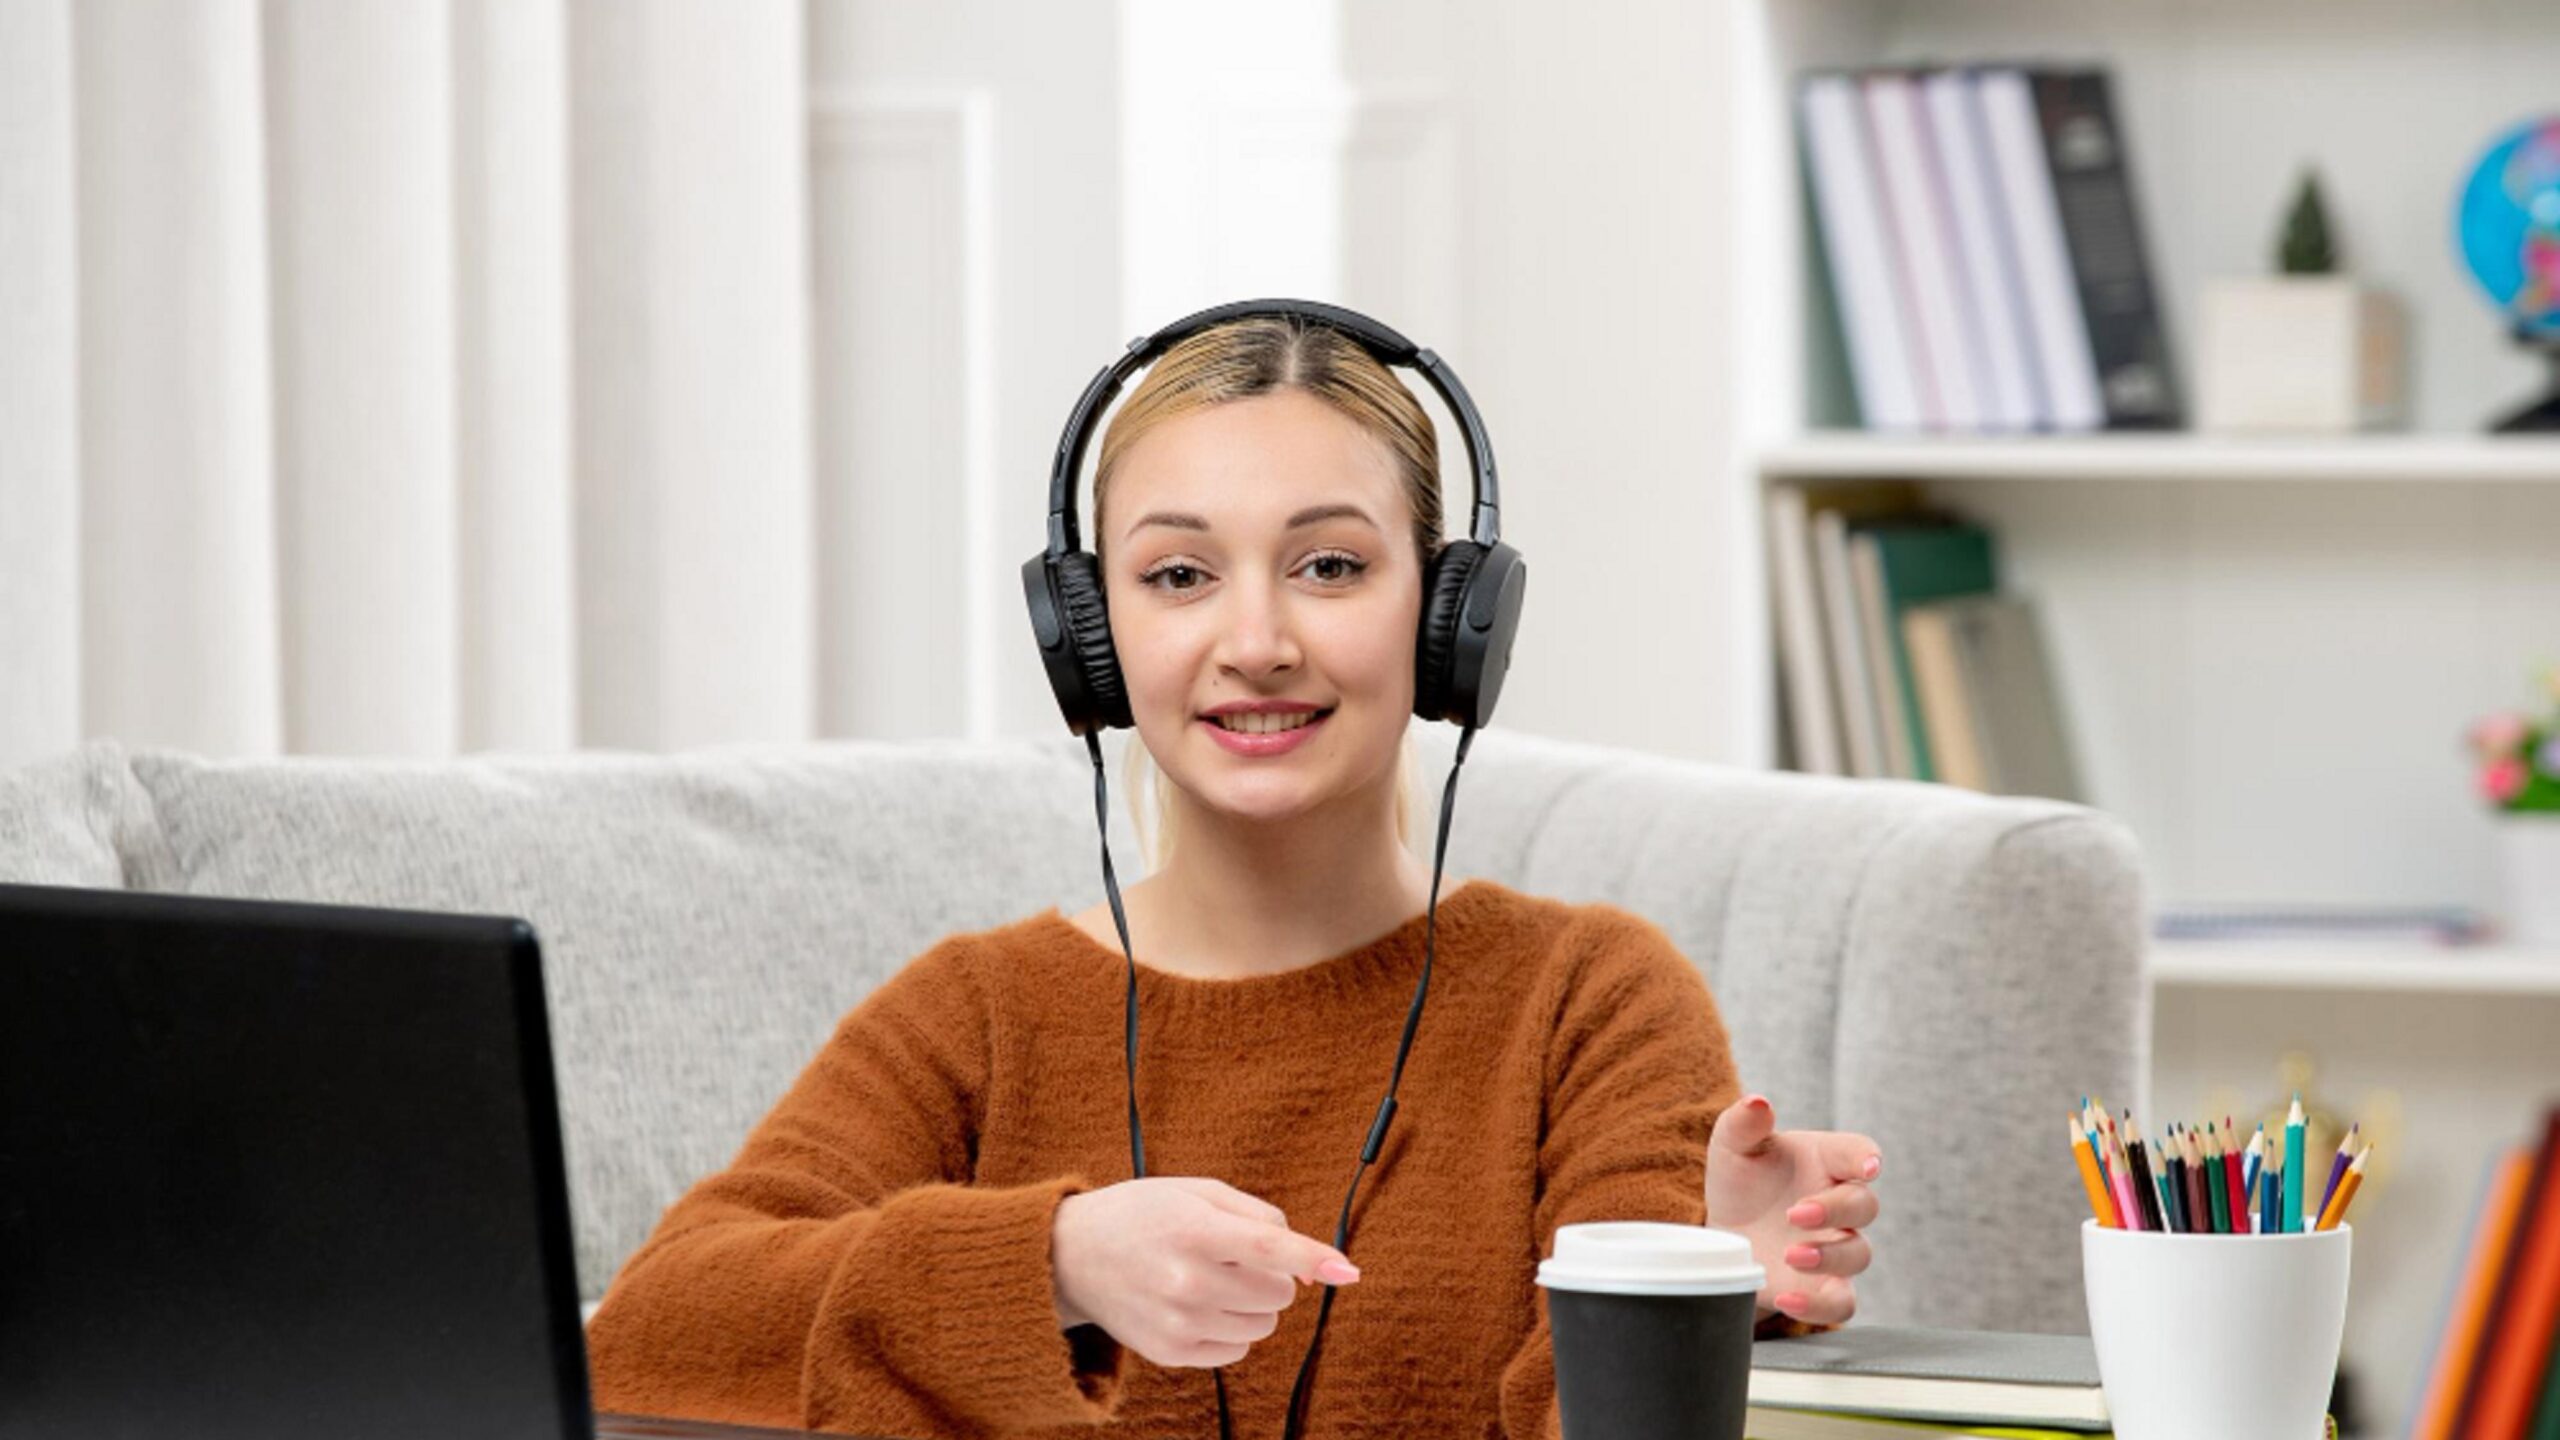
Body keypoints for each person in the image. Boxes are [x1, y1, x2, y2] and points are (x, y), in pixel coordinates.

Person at [583, 314, 1883, 1438]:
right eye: (1179, 575)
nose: (1256, 642)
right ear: (1093, 637)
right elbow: (649, 1333)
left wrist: (1678, 1298)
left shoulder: (1589, 1001)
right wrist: (1055, 1263)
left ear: (1449, 616)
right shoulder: (977, 1014)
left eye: (1330, 565)